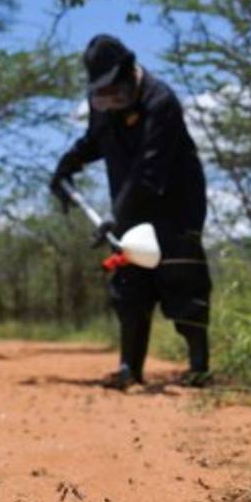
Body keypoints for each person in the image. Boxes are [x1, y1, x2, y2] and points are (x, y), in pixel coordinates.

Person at [50, 35, 213, 389]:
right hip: (128, 203)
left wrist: (117, 216)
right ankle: (129, 369)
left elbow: (149, 171)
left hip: (176, 205)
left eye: (114, 90)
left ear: (129, 73)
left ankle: (199, 368)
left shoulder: (161, 101)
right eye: (100, 93)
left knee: (181, 277)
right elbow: (96, 139)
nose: (108, 100)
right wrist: (67, 165)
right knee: (129, 281)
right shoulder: (102, 100)